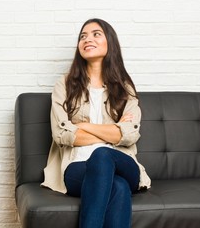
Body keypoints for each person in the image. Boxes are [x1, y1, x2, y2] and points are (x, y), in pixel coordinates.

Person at [41, 18, 151, 228]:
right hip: (77, 166)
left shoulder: (124, 87)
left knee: (102, 154)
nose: (87, 39)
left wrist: (82, 126)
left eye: (95, 34)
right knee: (117, 187)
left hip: (123, 163)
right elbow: (62, 134)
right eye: (83, 36)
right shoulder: (63, 85)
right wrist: (113, 129)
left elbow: (128, 135)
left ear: (110, 42)